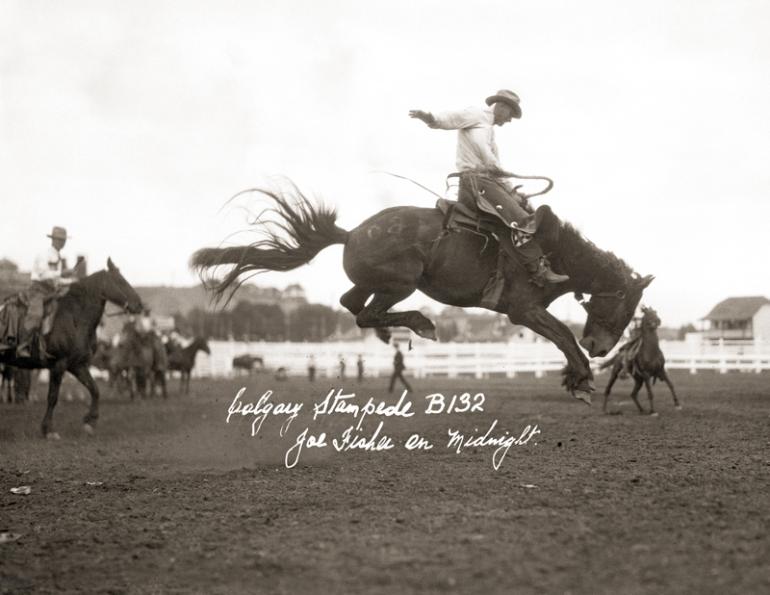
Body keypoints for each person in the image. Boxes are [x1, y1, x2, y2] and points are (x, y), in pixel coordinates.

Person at [409, 90, 569, 305]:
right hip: (476, 183)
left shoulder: (490, 132)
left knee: (507, 223)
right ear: (501, 107)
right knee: (521, 220)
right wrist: (429, 118)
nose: (509, 120)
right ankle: (538, 268)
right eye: (510, 115)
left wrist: (511, 191)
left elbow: (496, 169)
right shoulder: (475, 115)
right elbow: (449, 119)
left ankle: (508, 276)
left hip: (486, 182)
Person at [22, 226, 76, 356]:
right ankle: (23, 345)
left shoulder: (59, 257)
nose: (62, 242)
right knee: (36, 314)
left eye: (64, 240)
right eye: (60, 239)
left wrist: (72, 282)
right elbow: (42, 275)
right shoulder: (44, 255)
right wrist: (61, 273)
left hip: (52, 291)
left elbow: (56, 281)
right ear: (53, 240)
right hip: (38, 290)